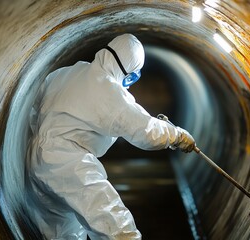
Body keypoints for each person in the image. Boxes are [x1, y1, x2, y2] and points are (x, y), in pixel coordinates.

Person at [27, 33, 195, 240]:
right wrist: (177, 136)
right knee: (116, 227)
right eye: (134, 75)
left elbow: (34, 111)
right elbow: (145, 131)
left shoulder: (67, 72)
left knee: (62, 233)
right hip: (68, 162)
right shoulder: (108, 89)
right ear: (128, 70)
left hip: (36, 160)